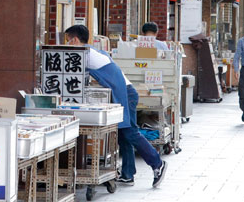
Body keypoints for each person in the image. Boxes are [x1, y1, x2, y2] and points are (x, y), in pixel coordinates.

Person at [64, 25, 167, 188]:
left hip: (126, 94)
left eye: (68, 40)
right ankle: (128, 174)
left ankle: (157, 163)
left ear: (75, 40)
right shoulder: (92, 52)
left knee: (130, 132)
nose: (67, 45)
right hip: (127, 92)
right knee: (123, 134)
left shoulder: (85, 54)